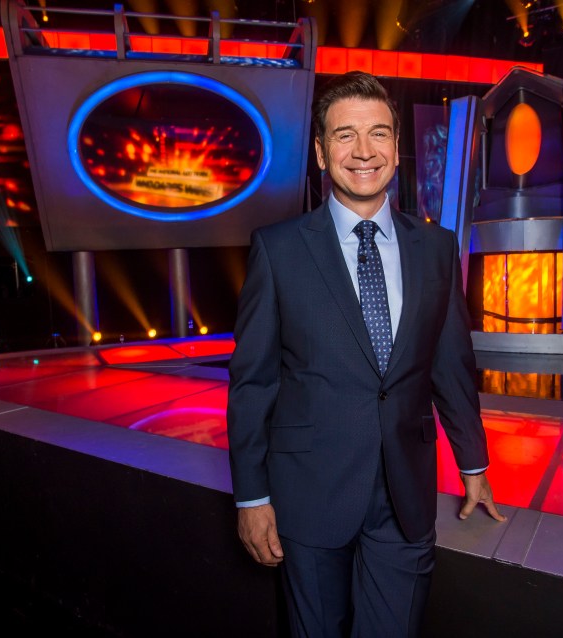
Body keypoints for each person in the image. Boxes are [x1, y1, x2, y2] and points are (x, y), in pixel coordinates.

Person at [227, 70, 505, 638]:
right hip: (308, 494)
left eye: (378, 133)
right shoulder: (277, 250)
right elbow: (253, 382)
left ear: (397, 149)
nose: (363, 151)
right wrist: (251, 496)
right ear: (321, 153)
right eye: (344, 135)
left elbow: (450, 364)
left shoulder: (436, 246)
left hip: (405, 495)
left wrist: (473, 464)